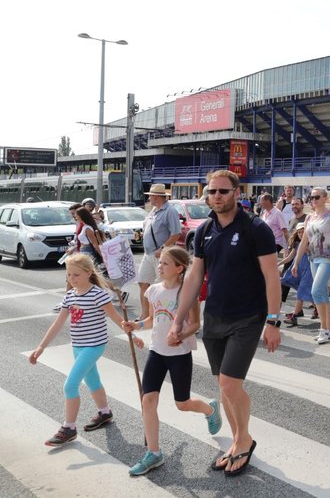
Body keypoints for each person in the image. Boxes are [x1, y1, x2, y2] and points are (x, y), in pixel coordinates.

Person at [170, 169, 281, 476]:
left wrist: (274, 321)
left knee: (231, 384)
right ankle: (236, 440)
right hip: (215, 316)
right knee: (223, 385)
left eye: (223, 191)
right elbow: (194, 276)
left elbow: (272, 276)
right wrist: (178, 319)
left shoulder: (256, 229)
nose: (217, 196)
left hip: (248, 316)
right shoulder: (204, 231)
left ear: (236, 193)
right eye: (212, 191)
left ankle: (244, 439)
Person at [123, 246, 223, 476]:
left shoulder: (186, 293)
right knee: (148, 400)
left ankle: (210, 409)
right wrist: (136, 326)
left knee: (182, 404)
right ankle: (154, 454)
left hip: (179, 355)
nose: (159, 266)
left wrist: (181, 336)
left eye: (165, 263)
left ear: (179, 268)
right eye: (160, 263)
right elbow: (151, 319)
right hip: (156, 352)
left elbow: (195, 324)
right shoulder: (153, 291)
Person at [28, 254, 128, 446]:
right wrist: (41, 346)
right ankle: (105, 412)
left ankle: (69, 428)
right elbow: (58, 324)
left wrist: (133, 334)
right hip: (78, 345)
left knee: (70, 385)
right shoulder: (70, 296)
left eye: (76, 275)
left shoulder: (98, 294)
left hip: (94, 345)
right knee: (93, 381)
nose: (72, 279)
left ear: (88, 273)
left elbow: (116, 318)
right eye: (69, 275)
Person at [291, 187, 330, 343]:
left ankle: (324, 329)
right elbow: (304, 241)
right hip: (313, 257)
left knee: (316, 291)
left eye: (316, 197)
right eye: (311, 197)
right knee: (321, 293)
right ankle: (328, 328)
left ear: (325, 198)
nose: (313, 200)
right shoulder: (309, 218)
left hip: (328, 257)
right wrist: (296, 262)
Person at [138, 183, 182, 323]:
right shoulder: (154, 210)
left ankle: (168, 314)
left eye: (150, 196)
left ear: (156, 196)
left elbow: (176, 233)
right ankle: (146, 314)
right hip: (148, 253)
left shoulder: (170, 211)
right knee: (143, 282)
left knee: (166, 285)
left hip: (161, 255)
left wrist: (163, 248)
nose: (149, 198)